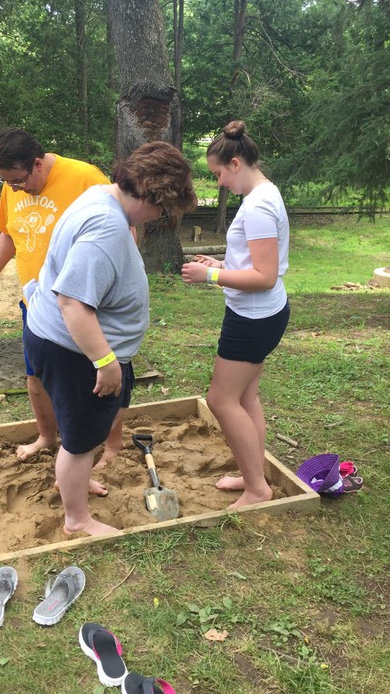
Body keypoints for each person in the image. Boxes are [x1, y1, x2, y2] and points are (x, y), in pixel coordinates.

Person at [23, 141, 197, 536]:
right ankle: (77, 520)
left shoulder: (101, 196)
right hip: (74, 350)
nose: (158, 218)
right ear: (151, 197)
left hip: (59, 340)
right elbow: (73, 302)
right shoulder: (106, 228)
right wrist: (105, 361)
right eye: (162, 209)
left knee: (80, 431)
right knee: (82, 440)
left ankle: (75, 483)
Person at [0, 129, 126, 486]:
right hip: (37, 305)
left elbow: (123, 229)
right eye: (7, 182)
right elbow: (9, 232)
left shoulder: (86, 179)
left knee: (103, 379)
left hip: (85, 305)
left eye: (18, 180)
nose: (14, 188)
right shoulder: (11, 185)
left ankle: (113, 444)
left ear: (38, 164)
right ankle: (47, 437)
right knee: (37, 378)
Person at [181, 120, 290, 509]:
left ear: (236, 162)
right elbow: (255, 262)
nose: (220, 184)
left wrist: (210, 274)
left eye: (218, 174)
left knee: (221, 399)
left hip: (253, 318)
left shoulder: (258, 206)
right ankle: (252, 474)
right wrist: (224, 261)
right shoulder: (264, 194)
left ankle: (257, 489)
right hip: (261, 313)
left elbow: (263, 276)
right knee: (245, 397)